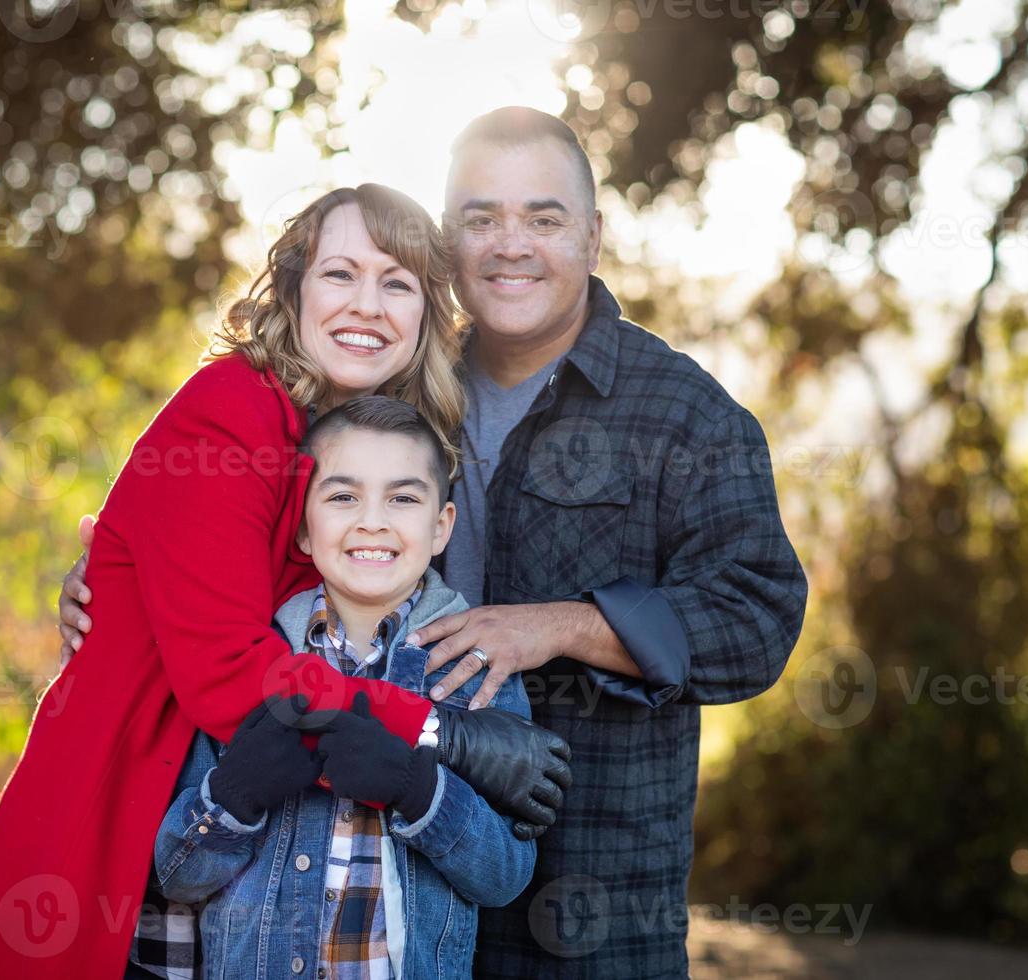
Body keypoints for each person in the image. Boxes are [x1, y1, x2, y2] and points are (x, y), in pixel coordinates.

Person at [62, 109, 808, 979]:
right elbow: (264, 555)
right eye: (480, 218)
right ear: (449, 244)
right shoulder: (399, 387)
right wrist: (120, 587)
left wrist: (561, 626)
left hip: (585, 900)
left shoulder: (685, 414)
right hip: (384, 898)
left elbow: (757, 620)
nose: (509, 244)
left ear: (595, 237)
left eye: (543, 217)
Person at [0, 184, 572, 979]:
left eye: (398, 283)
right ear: (295, 291)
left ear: (426, 316)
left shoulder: (367, 450)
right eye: (340, 274)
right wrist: (442, 735)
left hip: (263, 835)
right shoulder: (231, 408)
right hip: (139, 797)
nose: (367, 305)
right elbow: (231, 677)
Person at [140, 395, 536, 980]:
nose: (372, 520)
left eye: (403, 497)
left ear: (441, 527)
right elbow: (178, 876)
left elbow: (506, 876)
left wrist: (422, 792)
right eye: (343, 496)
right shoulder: (250, 660)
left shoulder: (471, 671)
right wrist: (234, 798)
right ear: (303, 528)